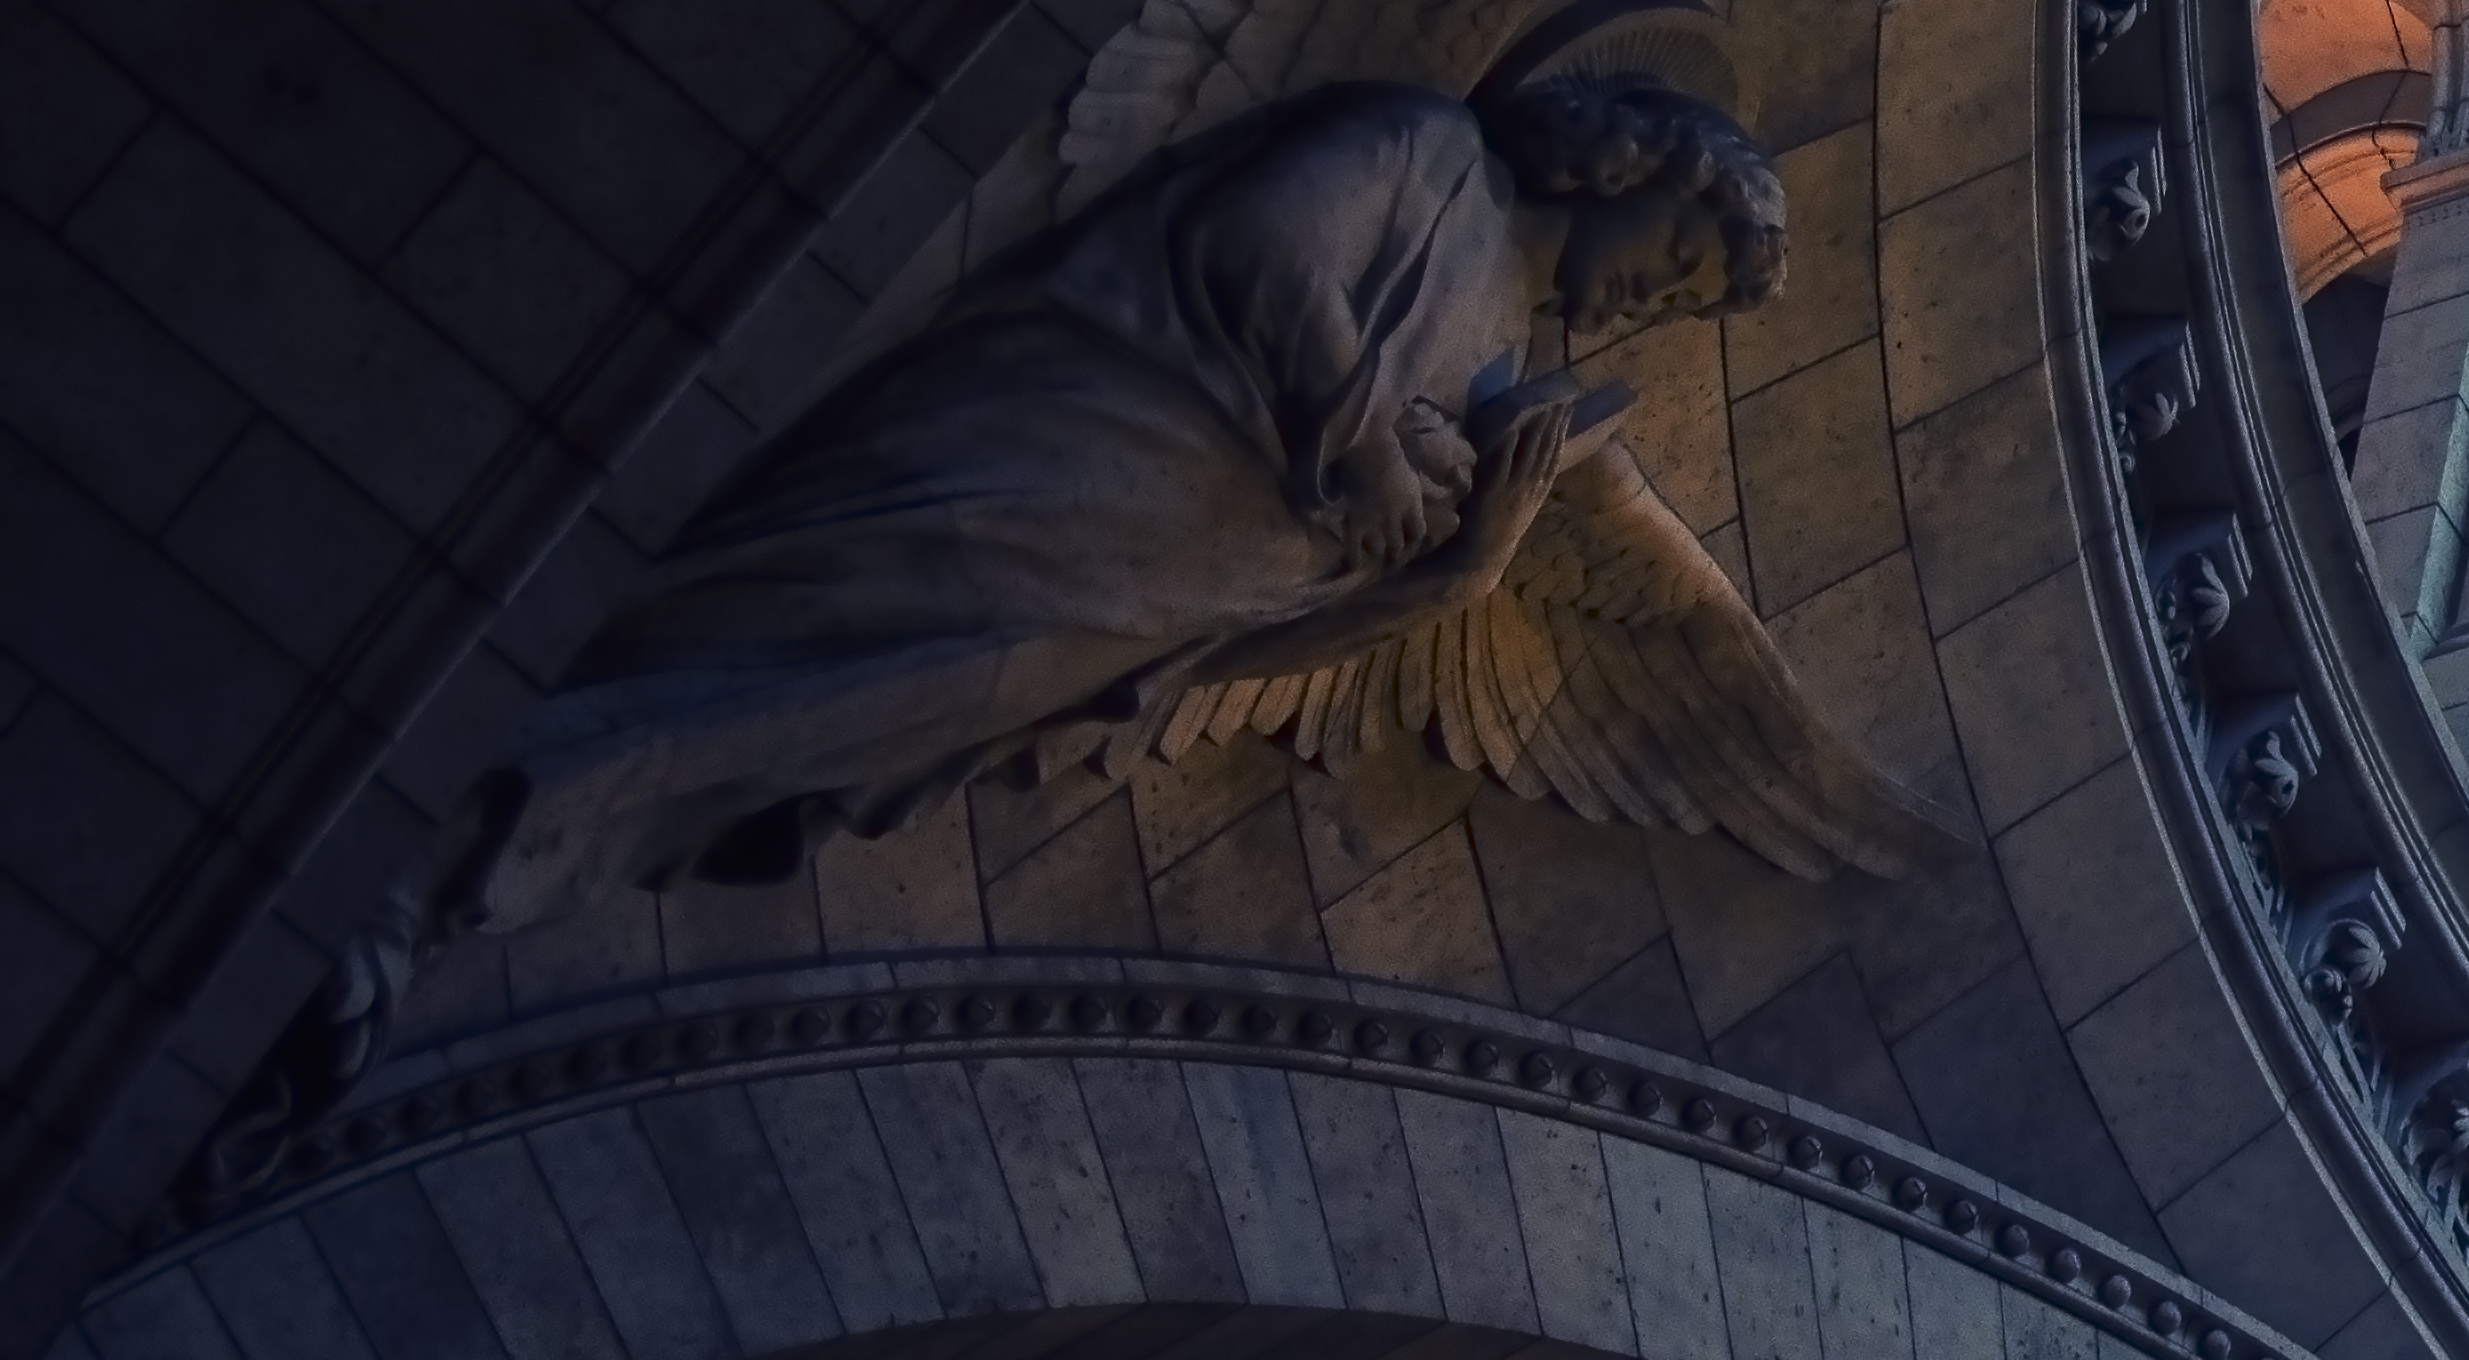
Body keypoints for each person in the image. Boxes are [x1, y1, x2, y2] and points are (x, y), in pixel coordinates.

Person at [448, 66, 1784, 928]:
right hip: (1077, 442)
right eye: (1680, 255)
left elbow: (1233, 656)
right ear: (1636, 162)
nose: (1657, 300)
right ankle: (481, 786)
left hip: (1139, 604)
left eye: (1684, 305)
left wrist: (1455, 579)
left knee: (821, 723)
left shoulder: (1506, 374)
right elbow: (1249, 240)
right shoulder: (1431, 154)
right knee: (791, 604)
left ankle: (500, 853)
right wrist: (1373, 443)